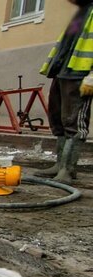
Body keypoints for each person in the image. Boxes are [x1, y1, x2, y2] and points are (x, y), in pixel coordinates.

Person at [36, 0, 93, 184]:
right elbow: (68, 42)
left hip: (80, 74)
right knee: (58, 118)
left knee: (74, 122)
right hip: (63, 71)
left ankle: (68, 170)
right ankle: (59, 164)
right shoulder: (82, 12)